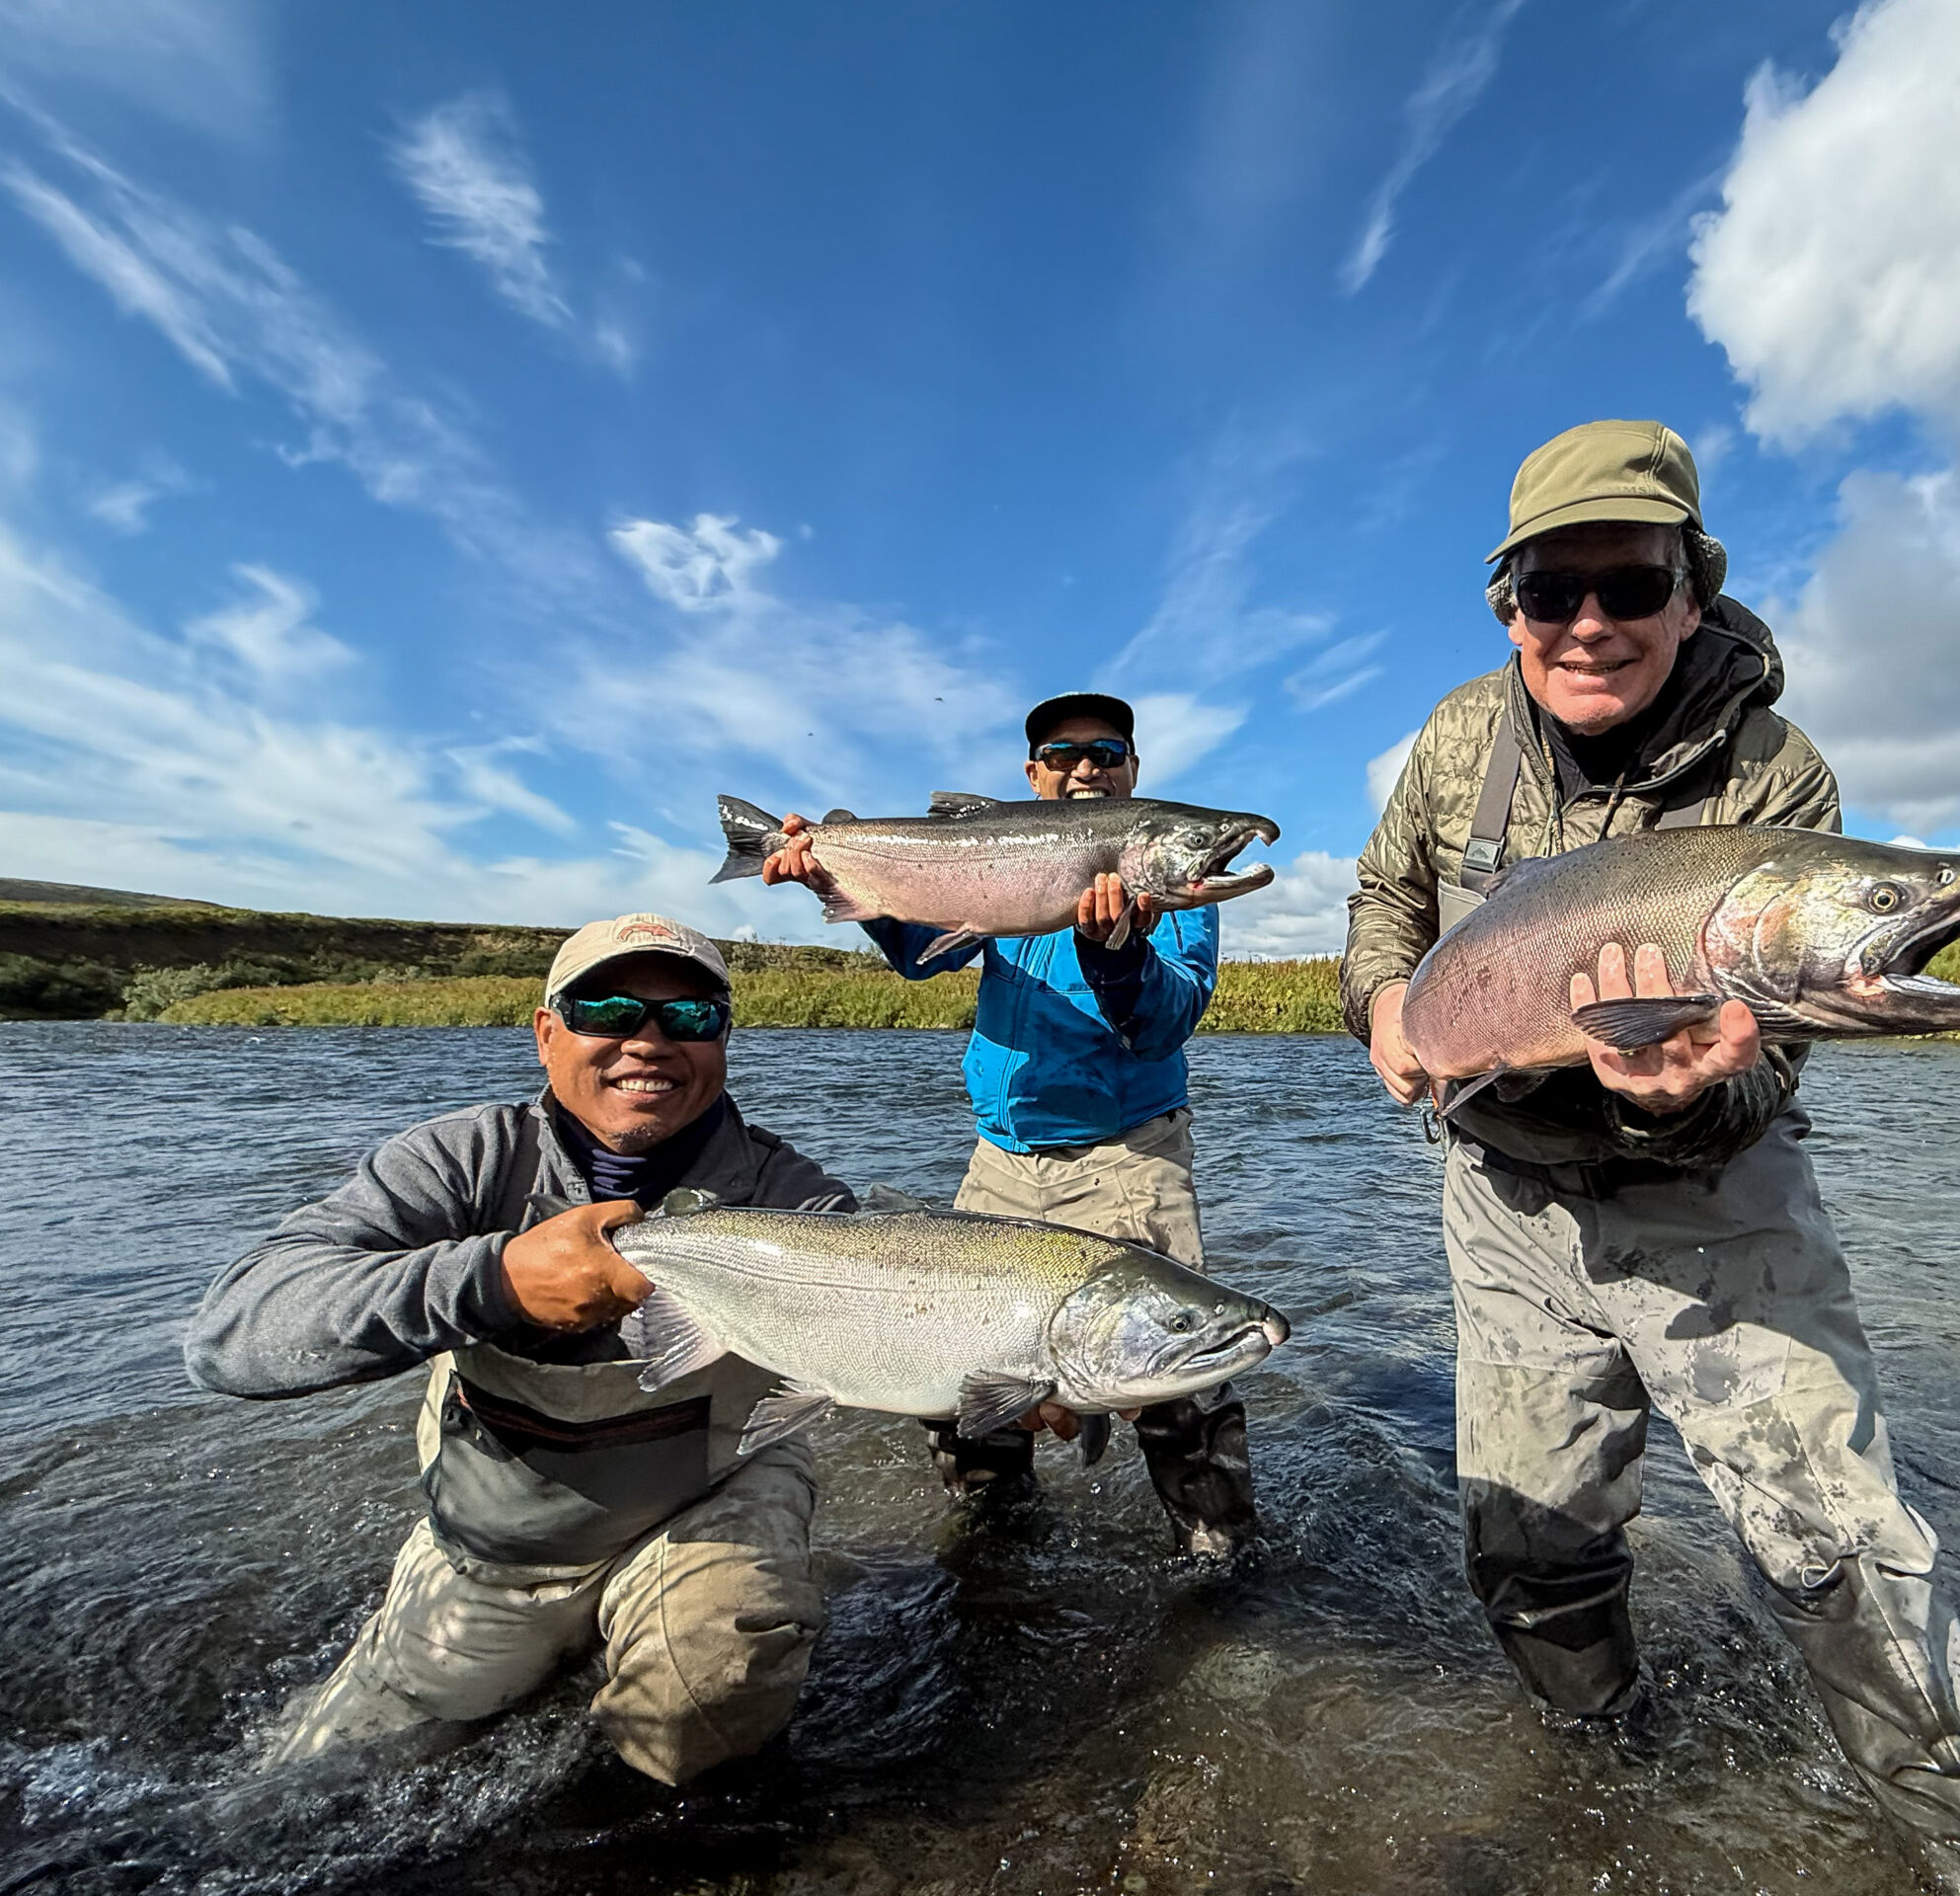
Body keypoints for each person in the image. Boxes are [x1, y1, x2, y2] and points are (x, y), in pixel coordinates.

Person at [1341, 421, 1960, 1894]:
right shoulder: (1459, 739)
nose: (1589, 623)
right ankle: (1606, 1787)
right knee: (1530, 1543)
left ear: (1694, 590)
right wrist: (1385, 1003)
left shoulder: (1780, 777)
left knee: (1841, 1559)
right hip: (1503, 1198)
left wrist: (1667, 1102)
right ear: (1509, 605)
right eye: (1553, 590)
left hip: (1716, 1195)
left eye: (1632, 585)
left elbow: (1766, 1069)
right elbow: (1385, 896)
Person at [185, 913, 855, 1784]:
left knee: (715, 1688)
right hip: (504, 1549)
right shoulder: (460, 1163)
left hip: (708, 1499)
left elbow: (922, 1321)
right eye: (607, 1010)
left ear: (723, 1039)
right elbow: (232, 1335)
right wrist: (495, 1280)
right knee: (313, 1782)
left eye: (690, 1016)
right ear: (546, 1033)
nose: (648, 1041)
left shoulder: (795, 1198)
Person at [760, 691, 1256, 1558]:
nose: (1086, 767)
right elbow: (920, 956)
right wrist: (832, 874)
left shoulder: (1175, 895)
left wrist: (1118, 953)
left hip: (1126, 1155)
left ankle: (1221, 1555)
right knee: (962, 1376)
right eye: (1063, 755)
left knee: (1174, 1373)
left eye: (1106, 751)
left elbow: (1167, 1022)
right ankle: (992, 1550)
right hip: (999, 1158)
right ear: (1033, 774)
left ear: (1134, 770)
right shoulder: (999, 858)